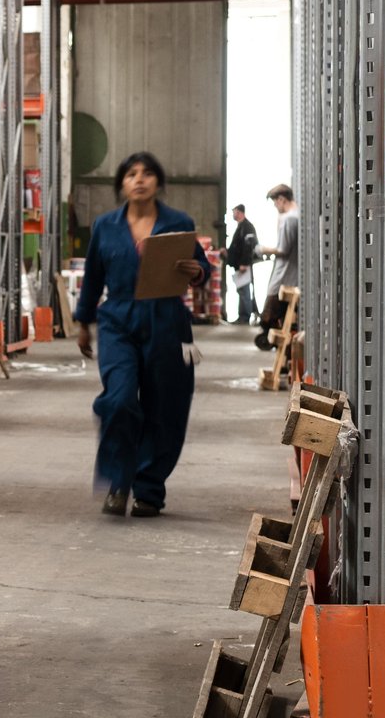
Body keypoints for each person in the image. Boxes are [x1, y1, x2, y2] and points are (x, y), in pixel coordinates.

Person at [74, 151, 213, 518]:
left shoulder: (177, 222)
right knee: (118, 400)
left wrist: (195, 271)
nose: (140, 179)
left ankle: (149, 487)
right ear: (121, 183)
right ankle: (119, 483)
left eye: (148, 173)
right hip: (118, 320)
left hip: (166, 318)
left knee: (165, 407)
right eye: (131, 174)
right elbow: (92, 279)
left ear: (158, 183)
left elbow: (203, 269)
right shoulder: (105, 226)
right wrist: (83, 323)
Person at [254, 183, 299, 349]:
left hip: (285, 274)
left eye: (275, 203)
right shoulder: (295, 215)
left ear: (282, 199)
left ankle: (280, 344)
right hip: (291, 273)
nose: (275, 207)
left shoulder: (289, 219)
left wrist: (264, 249)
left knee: (271, 311)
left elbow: (283, 249)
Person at [223, 203, 259, 324]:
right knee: (241, 290)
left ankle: (245, 316)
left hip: (244, 265)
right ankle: (242, 316)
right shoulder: (241, 227)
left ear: (239, 212)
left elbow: (248, 246)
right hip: (239, 264)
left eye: (234, 212)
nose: (233, 214)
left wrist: (244, 263)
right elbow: (237, 246)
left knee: (244, 290)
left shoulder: (247, 227)